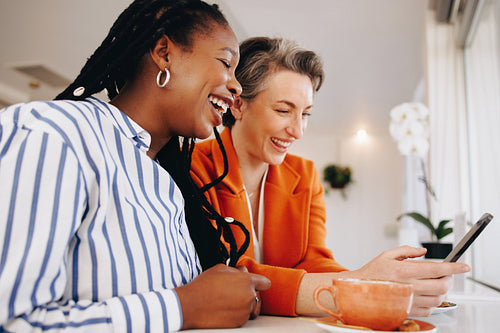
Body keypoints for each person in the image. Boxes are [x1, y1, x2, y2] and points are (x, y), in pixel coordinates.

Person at [0, 1, 271, 331]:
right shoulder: (53, 133)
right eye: (225, 63)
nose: (236, 85)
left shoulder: (165, 184)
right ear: (164, 53)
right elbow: (12, 319)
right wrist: (186, 306)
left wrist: (223, 298)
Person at [190, 37, 470, 317]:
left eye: (306, 114)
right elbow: (225, 275)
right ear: (237, 105)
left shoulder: (304, 175)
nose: (298, 131)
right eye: (283, 111)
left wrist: (367, 282)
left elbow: (315, 261)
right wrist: (359, 286)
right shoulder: (193, 168)